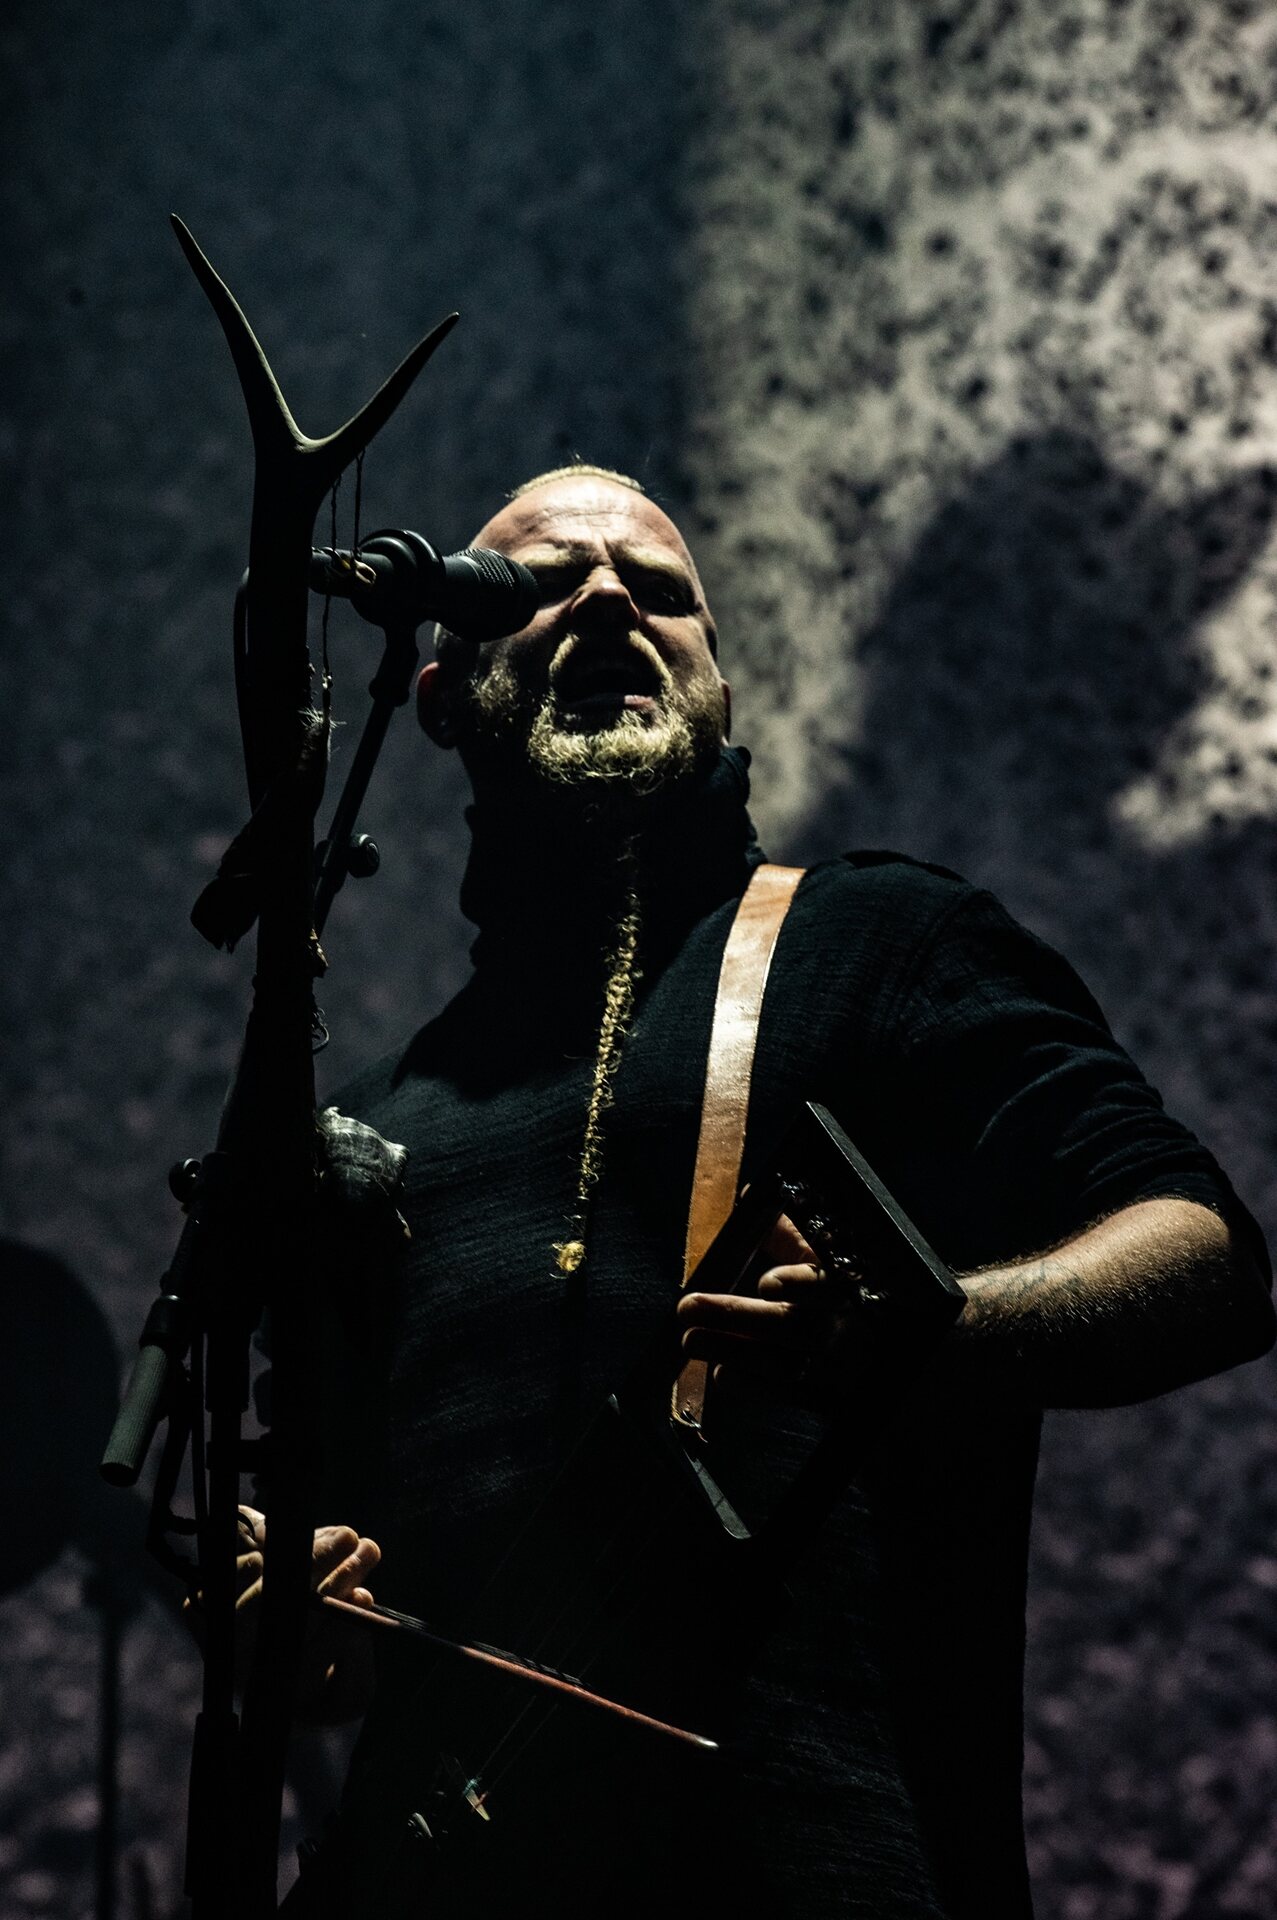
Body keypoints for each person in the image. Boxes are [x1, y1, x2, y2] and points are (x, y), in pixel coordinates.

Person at [260, 464, 1273, 1918]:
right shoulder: (365, 1126)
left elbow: (1207, 1254)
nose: (605, 598)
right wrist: (299, 1610)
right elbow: (337, 1607)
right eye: (542, 584)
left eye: (657, 589)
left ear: (718, 686)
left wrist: (932, 1330)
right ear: (438, 696)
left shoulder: (883, 944)